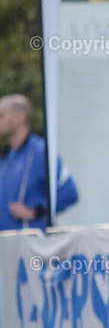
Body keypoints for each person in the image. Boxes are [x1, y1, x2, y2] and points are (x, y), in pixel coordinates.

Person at [0, 94, 78, 231]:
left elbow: (69, 192)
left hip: (30, 241)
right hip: (6, 241)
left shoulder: (40, 151)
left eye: (1, 116)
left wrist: (34, 212)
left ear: (20, 118)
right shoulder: (7, 157)